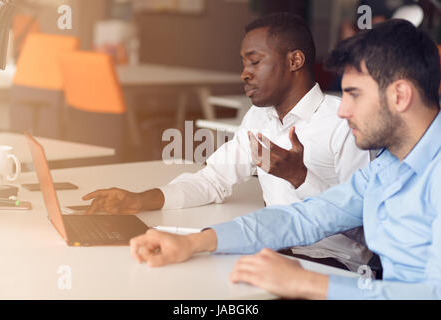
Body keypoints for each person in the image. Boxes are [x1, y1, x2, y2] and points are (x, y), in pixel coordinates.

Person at [129, 19, 441, 299]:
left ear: (399, 96)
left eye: (355, 94)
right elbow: (303, 217)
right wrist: (194, 243)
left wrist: (306, 283)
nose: (344, 110)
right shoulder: (388, 168)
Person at [83, 13, 371, 271]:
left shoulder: (343, 123)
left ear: (295, 61)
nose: (244, 73)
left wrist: (301, 178)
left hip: (334, 264)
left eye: (255, 62)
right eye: (244, 63)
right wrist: (139, 199)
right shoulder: (259, 118)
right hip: (276, 250)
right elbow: (214, 179)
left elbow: (365, 225)